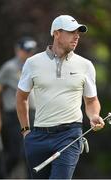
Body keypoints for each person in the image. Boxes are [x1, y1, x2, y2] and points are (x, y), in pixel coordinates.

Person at [16, 15, 105, 179]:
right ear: (56, 33)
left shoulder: (85, 65)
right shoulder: (33, 63)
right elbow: (21, 97)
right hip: (38, 137)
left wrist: (94, 115)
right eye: (71, 32)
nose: (77, 36)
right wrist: (25, 132)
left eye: (78, 32)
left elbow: (91, 100)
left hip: (69, 136)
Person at [0, 36, 37, 178]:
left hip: (33, 115)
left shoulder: (35, 67)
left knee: (32, 152)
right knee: (17, 154)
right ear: (18, 50)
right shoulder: (9, 67)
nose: (29, 54)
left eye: (31, 51)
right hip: (15, 116)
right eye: (26, 51)